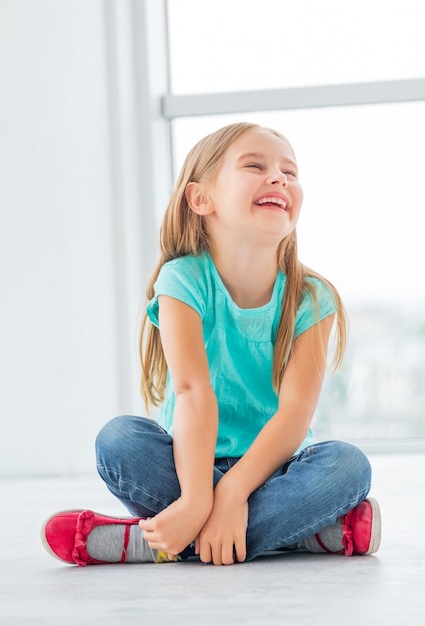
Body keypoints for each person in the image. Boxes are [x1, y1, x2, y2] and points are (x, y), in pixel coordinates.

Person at [41, 122, 381, 567]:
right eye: (255, 166)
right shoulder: (181, 280)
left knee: (348, 466)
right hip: (188, 470)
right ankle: (301, 536)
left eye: (289, 172)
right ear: (202, 199)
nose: (279, 178)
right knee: (119, 440)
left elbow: (295, 414)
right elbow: (192, 393)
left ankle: (156, 542)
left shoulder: (313, 297)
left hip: (273, 472)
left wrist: (233, 493)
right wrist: (201, 497)